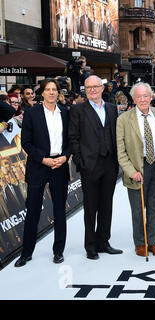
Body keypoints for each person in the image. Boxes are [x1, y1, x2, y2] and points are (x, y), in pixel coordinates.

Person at [15, 79, 70, 267]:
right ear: (43, 93)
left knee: (59, 211)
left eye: (55, 90)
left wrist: (65, 157)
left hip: (60, 166)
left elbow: (70, 140)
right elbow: (26, 143)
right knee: (33, 211)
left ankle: (58, 251)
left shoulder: (66, 113)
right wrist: (43, 159)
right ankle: (26, 252)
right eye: (48, 89)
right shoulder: (31, 114)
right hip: (39, 166)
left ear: (58, 93)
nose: (52, 93)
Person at [68, 75, 122, 260]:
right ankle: (90, 245)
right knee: (91, 207)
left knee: (107, 205)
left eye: (95, 86)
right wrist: (79, 160)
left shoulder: (112, 108)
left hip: (110, 164)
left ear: (102, 88)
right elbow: (73, 137)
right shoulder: (77, 110)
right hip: (89, 165)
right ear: (85, 90)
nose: (92, 89)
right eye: (88, 87)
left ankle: (103, 242)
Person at [116, 83, 155, 258]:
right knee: (138, 209)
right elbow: (120, 151)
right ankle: (140, 243)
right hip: (137, 168)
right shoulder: (123, 119)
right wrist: (131, 171)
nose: (143, 99)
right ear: (133, 98)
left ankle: (153, 242)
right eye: (139, 96)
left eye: (146, 96)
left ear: (151, 97)